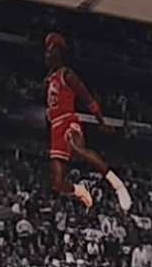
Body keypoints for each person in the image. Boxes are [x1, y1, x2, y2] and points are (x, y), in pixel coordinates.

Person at [43, 33, 133, 214]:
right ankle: (80, 190)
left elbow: (87, 98)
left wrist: (101, 121)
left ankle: (117, 184)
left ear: (59, 53)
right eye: (47, 51)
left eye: (51, 51)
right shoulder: (49, 79)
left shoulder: (67, 74)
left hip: (68, 120)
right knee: (58, 184)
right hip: (55, 127)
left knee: (78, 149)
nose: (47, 55)